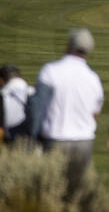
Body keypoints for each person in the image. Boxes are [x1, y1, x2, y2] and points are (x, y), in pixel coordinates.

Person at [36, 28, 104, 195]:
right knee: (78, 192)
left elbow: (38, 106)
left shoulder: (50, 71)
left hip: (56, 140)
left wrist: (33, 135)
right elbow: (95, 114)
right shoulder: (93, 78)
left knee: (51, 191)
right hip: (84, 142)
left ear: (69, 45)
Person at [0, 64, 33, 147]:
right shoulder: (35, 92)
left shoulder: (1, 97)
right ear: (21, 77)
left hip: (14, 144)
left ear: (1, 81)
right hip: (40, 143)